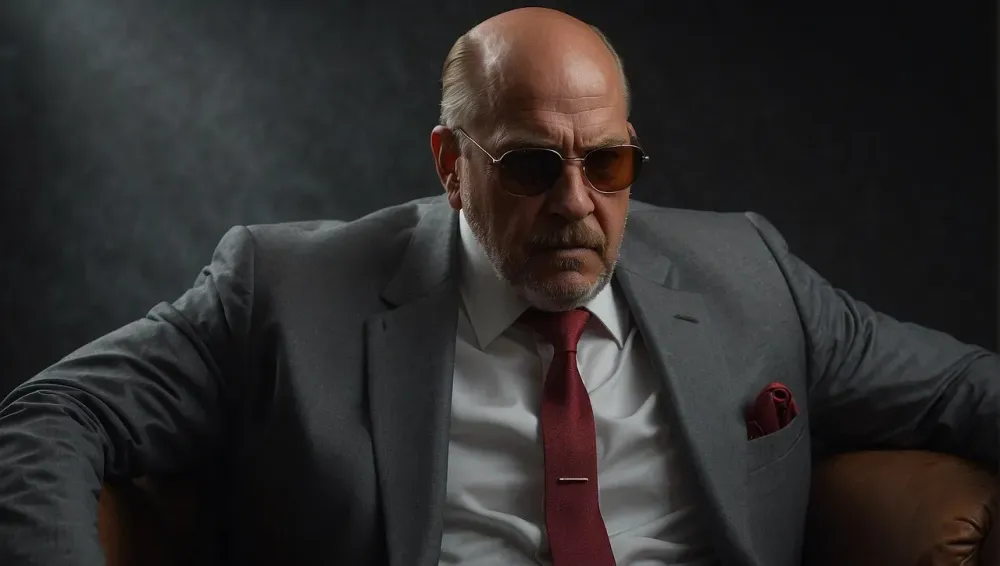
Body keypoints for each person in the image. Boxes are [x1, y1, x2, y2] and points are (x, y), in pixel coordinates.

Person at [0, 7, 996, 566]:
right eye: (530, 165)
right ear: (450, 164)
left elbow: (964, 388)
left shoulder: (747, 271)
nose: (576, 202)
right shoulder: (286, 291)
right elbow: (55, 413)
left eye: (608, 163)